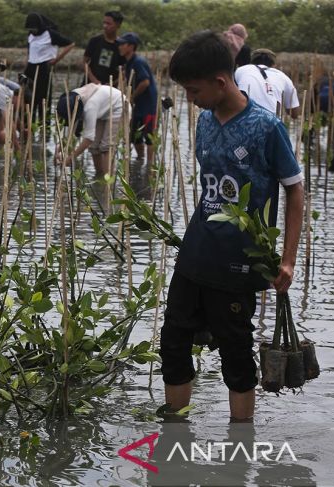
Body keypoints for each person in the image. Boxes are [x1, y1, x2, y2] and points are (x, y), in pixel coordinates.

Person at [163, 31, 304, 422]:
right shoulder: (205, 122)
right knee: (173, 342)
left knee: (236, 353)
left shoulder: (266, 128)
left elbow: (295, 192)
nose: (190, 99)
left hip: (239, 259)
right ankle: (176, 432)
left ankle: (239, 448)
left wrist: (288, 261)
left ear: (220, 82)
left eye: (193, 90)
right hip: (196, 250)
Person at [56, 83, 124, 176]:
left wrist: (71, 158)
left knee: (106, 147)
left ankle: (108, 185)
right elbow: (70, 130)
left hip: (119, 107)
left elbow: (89, 138)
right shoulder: (72, 97)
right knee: (94, 147)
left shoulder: (90, 107)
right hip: (103, 109)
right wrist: (58, 150)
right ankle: (99, 176)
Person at [24, 13, 75, 123]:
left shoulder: (50, 34)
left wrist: (56, 59)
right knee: (29, 98)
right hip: (30, 67)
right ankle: (29, 124)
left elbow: (70, 44)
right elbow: (30, 51)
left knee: (43, 98)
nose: (33, 31)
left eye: (34, 28)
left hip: (43, 67)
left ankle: (44, 126)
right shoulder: (30, 35)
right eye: (30, 29)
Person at [117, 32, 158, 164]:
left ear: (131, 46)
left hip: (148, 105)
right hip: (138, 106)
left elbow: (145, 82)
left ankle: (150, 166)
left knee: (149, 135)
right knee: (135, 136)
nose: (119, 47)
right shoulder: (128, 62)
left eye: (122, 44)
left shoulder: (138, 62)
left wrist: (132, 96)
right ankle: (140, 160)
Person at [234, 48, 300, 118]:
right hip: (272, 121)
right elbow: (294, 113)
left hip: (246, 118)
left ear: (251, 61)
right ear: (274, 64)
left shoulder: (241, 70)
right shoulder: (284, 77)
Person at [82, 11, 125, 86]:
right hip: (90, 85)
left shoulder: (121, 46)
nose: (105, 26)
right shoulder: (95, 41)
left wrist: (112, 83)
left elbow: (124, 70)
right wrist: (95, 81)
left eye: (108, 24)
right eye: (104, 23)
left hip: (110, 89)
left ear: (118, 25)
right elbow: (85, 63)